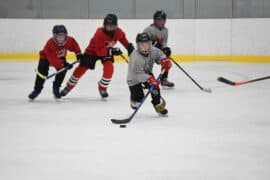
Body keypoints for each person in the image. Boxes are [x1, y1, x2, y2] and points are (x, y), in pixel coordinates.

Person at [61, 13, 134, 98]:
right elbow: (99, 51)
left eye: (112, 26)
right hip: (92, 52)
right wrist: (112, 50)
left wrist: (128, 47)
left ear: (116, 26)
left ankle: (102, 87)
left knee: (109, 69)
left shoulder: (118, 32)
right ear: (104, 26)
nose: (110, 29)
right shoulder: (99, 33)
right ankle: (69, 86)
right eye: (108, 26)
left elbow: (122, 38)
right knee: (81, 69)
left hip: (106, 52)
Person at [28, 25, 82, 100]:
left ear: (66, 35)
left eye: (63, 36)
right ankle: (37, 90)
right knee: (42, 73)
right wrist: (63, 64)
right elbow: (52, 58)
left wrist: (78, 54)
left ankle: (56, 87)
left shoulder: (69, 40)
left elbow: (75, 46)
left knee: (63, 70)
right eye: (59, 36)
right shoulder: (50, 43)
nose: (61, 38)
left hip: (60, 57)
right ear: (54, 36)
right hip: (45, 58)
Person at [127, 32, 172, 115]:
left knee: (155, 88)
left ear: (150, 44)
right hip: (133, 78)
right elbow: (137, 75)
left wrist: (164, 60)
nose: (145, 47)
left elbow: (160, 55)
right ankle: (134, 100)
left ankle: (157, 104)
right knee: (139, 99)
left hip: (147, 73)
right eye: (142, 45)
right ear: (138, 46)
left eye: (147, 44)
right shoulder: (135, 57)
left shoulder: (153, 50)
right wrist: (149, 79)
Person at [143, 10, 174, 88]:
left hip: (157, 53)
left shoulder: (165, 31)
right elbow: (142, 44)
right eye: (158, 20)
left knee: (167, 54)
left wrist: (165, 50)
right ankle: (146, 78)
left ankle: (164, 79)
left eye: (162, 20)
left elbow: (163, 45)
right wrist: (152, 45)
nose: (160, 22)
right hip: (147, 54)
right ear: (154, 20)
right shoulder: (149, 29)